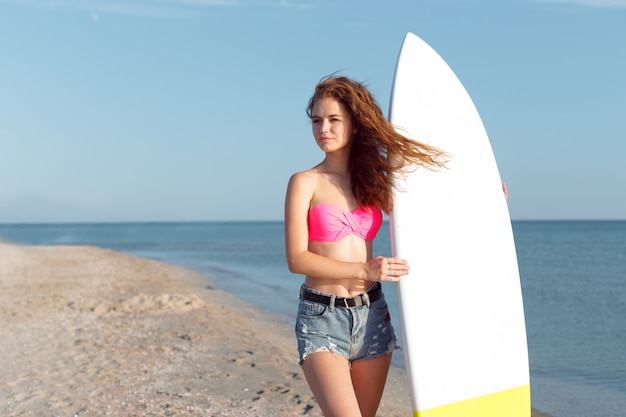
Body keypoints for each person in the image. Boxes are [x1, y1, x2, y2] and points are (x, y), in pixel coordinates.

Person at [284, 75, 447, 417]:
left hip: (372, 315)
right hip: (322, 318)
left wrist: (486, 197)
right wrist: (364, 269)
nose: (322, 129)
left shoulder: (376, 184)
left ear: (355, 125)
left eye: (333, 120)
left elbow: (433, 210)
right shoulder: (304, 182)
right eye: (316, 120)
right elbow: (297, 259)